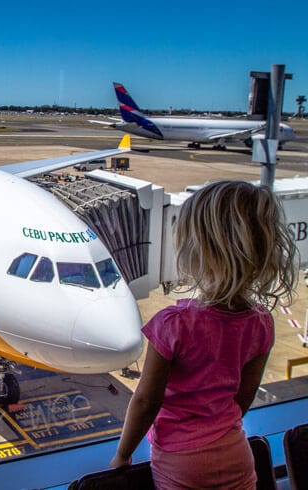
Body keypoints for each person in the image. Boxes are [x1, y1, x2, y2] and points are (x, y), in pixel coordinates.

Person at [109, 181, 297, 489]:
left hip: (181, 460)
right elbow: (242, 398)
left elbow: (145, 402)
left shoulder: (174, 325)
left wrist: (123, 454)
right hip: (235, 450)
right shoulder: (262, 322)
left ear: (196, 249)